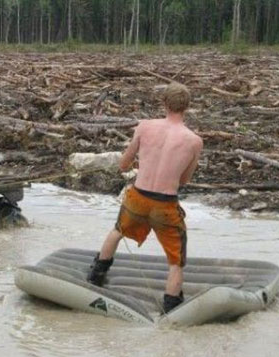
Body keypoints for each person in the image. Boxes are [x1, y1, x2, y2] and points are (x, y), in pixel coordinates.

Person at [87, 83, 203, 314]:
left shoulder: (145, 126)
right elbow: (184, 181)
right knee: (176, 262)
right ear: (187, 107)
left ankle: (95, 278)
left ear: (163, 103)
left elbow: (123, 164)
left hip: (138, 198)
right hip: (165, 204)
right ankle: (170, 308)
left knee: (117, 232)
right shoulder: (194, 141)